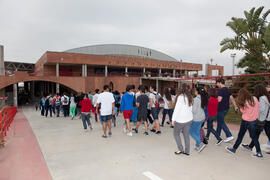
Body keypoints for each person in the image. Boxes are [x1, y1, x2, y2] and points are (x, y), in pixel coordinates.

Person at [226, 88, 263, 158]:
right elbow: (258, 107)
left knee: (240, 135)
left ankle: (234, 149)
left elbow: (243, 112)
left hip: (246, 121)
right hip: (254, 121)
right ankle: (259, 152)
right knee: (254, 137)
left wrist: (240, 107)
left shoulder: (244, 102)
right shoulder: (255, 98)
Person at [242, 85, 270, 153]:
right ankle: (250, 146)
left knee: (261, 133)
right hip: (266, 118)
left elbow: (262, 109)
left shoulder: (262, 98)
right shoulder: (266, 97)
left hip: (263, 119)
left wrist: (255, 107)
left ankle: (251, 146)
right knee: (258, 133)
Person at [172, 83, 193, 156]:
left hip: (180, 120)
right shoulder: (190, 96)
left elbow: (177, 109)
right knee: (186, 136)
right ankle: (187, 151)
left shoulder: (180, 97)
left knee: (176, 134)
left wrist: (173, 119)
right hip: (188, 119)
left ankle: (180, 149)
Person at [216, 78, 238, 142]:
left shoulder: (221, 91)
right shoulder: (228, 90)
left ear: (220, 83)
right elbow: (232, 98)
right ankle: (217, 135)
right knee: (220, 121)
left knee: (221, 122)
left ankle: (229, 135)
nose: (216, 84)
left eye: (217, 83)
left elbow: (219, 100)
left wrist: (212, 101)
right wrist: (235, 106)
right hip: (226, 108)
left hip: (220, 108)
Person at [190, 86, 208, 153]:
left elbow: (194, 111)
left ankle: (199, 141)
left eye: (195, 90)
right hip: (202, 118)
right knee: (197, 131)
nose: (195, 92)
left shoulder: (196, 99)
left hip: (196, 118)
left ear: (197, 92)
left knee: (191, 132)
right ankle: (197, 146)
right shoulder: (204, 98)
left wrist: (190, 107)